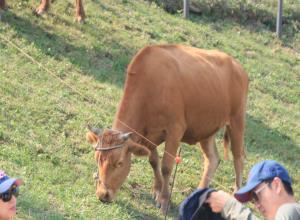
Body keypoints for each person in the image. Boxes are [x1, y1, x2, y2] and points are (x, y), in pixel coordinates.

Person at [206, 160, 300, 220]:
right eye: (253, 200)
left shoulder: (289, 210)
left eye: (256, 195)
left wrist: (231, 207)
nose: (256, 206)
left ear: (276, 185)